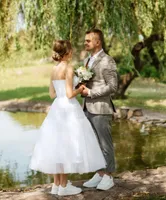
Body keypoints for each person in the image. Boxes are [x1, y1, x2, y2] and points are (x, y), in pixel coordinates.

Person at [29, 40, 106, 196]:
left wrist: (62, 92)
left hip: (57, 107)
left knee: (57, 145)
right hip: (68, 109)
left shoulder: (54, 69)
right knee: (67, 145)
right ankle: (64, 186)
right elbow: (70, 94)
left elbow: (52, 94)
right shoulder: (68, 68)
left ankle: (56, 185)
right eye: (71, 50)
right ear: (68, 53)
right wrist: (81, 88)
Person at [80, 28, 118, 191]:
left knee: (105, 144)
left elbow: (113, 86)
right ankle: (100, 173)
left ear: (98, 42)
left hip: (101, 109)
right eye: (85, 40)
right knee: (94, 144)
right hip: (88, 107)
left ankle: (109, 176)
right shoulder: (88, 60)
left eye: (88, 40)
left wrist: (91, 92)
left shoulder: (107, 60)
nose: (85, 43)